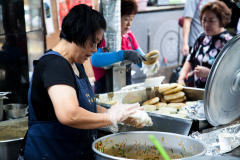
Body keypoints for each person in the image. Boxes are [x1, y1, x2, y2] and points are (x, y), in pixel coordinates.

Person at [18, 4, 145, 160]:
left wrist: (121, 114)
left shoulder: (75, 65)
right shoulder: (54, 65)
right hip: (51, 154)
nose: (94, 50)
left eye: (97, 44)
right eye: (93, 42)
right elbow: (69, 114)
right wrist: (110, 118)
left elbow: (87, 104)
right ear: (76, 33)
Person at [91, 0, 146, 94]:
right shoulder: (102, 37)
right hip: (105, 92)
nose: (129, 24)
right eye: (126, 19)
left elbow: (142, 59)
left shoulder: (129, 36)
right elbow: (95, 60)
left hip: (126, 91)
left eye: (131, 19)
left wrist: (150, 63)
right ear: (115, 18)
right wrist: (123, 55)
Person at [178, 1, 232, 88]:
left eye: (211, 21)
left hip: (216, 96)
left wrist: (209, 73)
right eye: (204, 20)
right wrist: (181, 79)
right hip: (197, 94)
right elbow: (190, 59)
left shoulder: (229, 43)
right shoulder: (202, 37)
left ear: (221, 20)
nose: (206, 24)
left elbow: (231, 76)